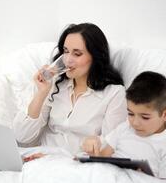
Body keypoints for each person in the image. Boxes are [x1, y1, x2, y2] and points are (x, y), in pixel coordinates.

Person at [13, 23, 127, 155]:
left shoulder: (114, 93)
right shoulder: (54, 85)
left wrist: (96, 143)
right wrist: (41, 93)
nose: (67, 60)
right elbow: (22, 137)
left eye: (77, 54)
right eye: (66, 51)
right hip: (41, 159)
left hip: (76, 165)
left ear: (96, 57)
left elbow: (111, 146)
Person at [82, 71, 166, 178]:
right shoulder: (125, 127)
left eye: (145, 117)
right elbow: (103, 157)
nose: (135, 123)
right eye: (130, 113)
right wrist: (93, 149)